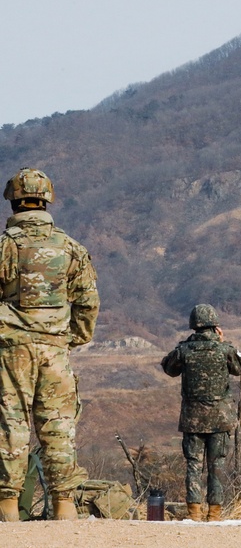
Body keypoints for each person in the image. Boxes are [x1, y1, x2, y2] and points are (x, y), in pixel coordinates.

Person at [0, 167, 99, 522]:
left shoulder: (4, 246)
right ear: (47, 200)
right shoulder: (72, 248)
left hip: (11, 350)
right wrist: (71, 338)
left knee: (12, 423)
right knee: (58, 425)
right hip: (55, 348)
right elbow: (88, 303)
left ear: (13, 201)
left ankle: (8, 509)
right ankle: (64, 507)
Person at [161, 304, 241, 521]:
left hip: (193, 419)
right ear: (215, 325)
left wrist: (186, 347)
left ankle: (194, 512)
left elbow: (169, 369)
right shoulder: (224, 349)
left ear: (193, 325)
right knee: (216, 465)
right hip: (220, 419)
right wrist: (224, 341)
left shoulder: (184, 351)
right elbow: (240, 368)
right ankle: (215, 513)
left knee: (193, 464)